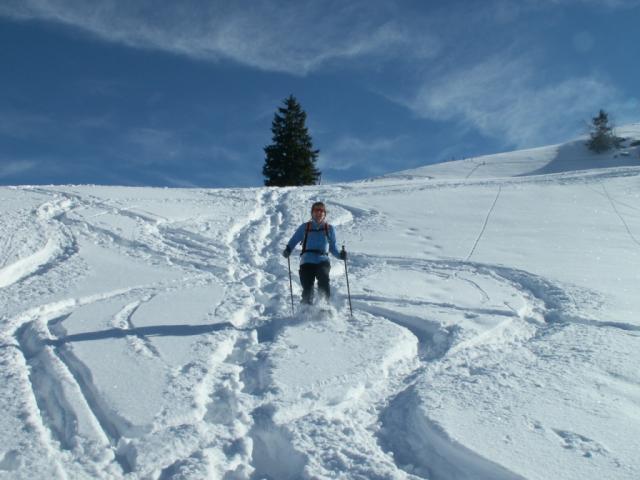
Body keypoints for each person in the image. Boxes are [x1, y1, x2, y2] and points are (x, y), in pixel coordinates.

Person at [282, 201, 346, 305]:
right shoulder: (305, 227)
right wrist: (288, 249)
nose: (319, 212)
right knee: (307, 288)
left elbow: (333, 248)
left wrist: (340, 255)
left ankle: (324, 306)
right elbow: (294, 240)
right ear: (312, 213)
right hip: (307, 260)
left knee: (324, 280)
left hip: (323, 260)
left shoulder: (329, 229)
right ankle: (306, 308)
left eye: (321, 210)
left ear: (325, 213)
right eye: (316, 210)